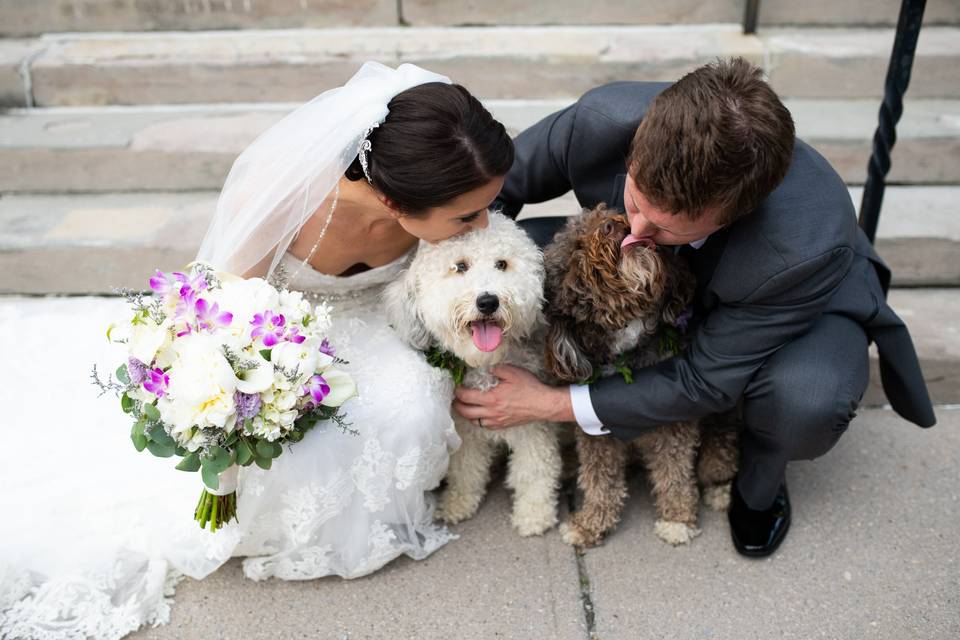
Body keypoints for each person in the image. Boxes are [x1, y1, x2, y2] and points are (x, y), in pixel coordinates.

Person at [0, 62, 514, 638]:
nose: (484, 222)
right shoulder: (281, 196)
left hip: (375, 322)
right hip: (277, 333)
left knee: (412, 403)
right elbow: (223, 318)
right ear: (394, 202)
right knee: (304, 440)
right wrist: (249, 390)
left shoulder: (446, 190)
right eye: (468, 215)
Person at [453, 58, 936, 557]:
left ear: (735, 215)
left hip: (784, 297)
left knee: (807, 399)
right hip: (644, 285)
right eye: (636, 201)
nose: (635, 236)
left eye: (664, 229)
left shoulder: (804, 246)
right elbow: (491, 197)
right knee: (525, 264)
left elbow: (704, 378)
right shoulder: (603, 120)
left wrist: (552, 404)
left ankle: (755, 479)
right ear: (635, 149)